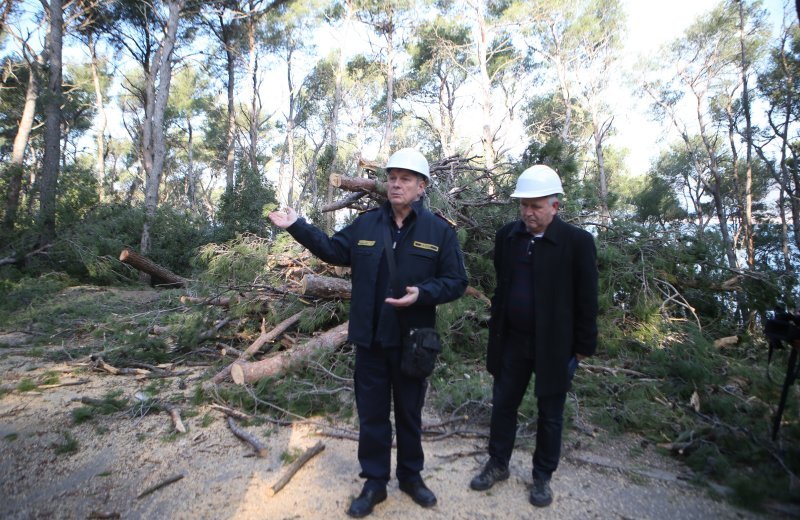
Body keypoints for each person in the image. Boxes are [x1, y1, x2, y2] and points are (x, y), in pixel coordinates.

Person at [268, 148, 468, 518]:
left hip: (413, 341)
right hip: (370, 341)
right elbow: (331, 250)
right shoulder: (366, 225)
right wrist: (298, 224)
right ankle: (375, 482)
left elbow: (457, 281)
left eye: (406, 178)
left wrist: (424, 294)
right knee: (373, 415)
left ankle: (411, 476)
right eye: (392, 177)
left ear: (421, 187)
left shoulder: (439, 231)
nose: (396, 183)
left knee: (409, 413)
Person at [469, 164, 598, 507]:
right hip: (512, 340)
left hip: (555, 346)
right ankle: (498, 464)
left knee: (550, 414)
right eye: (524, 205)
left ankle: (542, 476)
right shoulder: (508, 237)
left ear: (555, 206)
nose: (528, 212)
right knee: (503, 405)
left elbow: (588, 299)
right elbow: (503, 283)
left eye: (537, 206)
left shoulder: (577, 243)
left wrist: (583, 349)